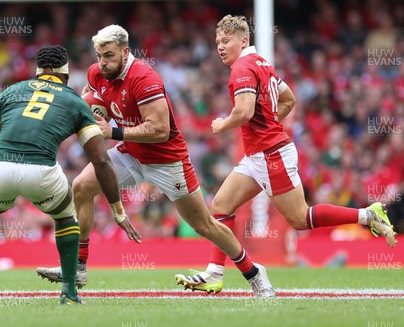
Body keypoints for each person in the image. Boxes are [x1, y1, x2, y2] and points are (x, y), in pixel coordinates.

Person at [37, 25, 275, 298]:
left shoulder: (143, 77)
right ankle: (78, 266)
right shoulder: (96, 72)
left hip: (167, 160)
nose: (102, 63)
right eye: (99, 55)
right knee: (81, 186)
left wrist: (111, 131)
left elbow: (159, 129)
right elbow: (92, 105)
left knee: (203, 225)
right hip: (131, 153)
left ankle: (254, 273)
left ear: (126, 53)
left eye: (109, 56)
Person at [174, 15, 397, 293]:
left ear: (243, 41)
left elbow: (243, 111)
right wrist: (268, 123)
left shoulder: (242, 67)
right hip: (260, 154)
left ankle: (368, 216)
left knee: (299, 219)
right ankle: (214, 272)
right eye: (218, 41)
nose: (220, 46)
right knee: (221, 205)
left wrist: (222, 124)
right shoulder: (262, 63)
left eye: (226, 41)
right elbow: (289, 99)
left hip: (271, 155)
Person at [0, 45, 140, 305]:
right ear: (66, 74)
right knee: (65, 218)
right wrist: (118, 210)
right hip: (41, 172)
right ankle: (69, 292)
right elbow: (101, 161)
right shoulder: (75, 101)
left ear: (38, 72)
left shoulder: (12, 91)